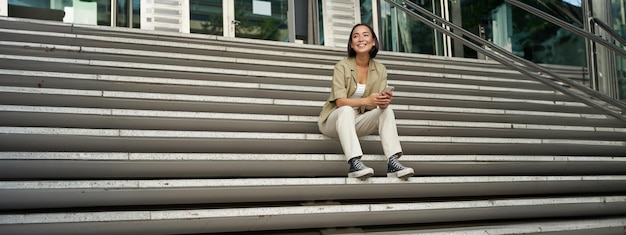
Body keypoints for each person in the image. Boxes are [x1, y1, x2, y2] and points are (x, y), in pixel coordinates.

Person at [318, 23, 414, 180]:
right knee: (347, 109)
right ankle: (354, 162)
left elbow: (374, 104)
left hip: (358, 121)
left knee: (387, 111)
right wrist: (367, 100)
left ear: (374, 41)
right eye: (355, 36)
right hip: (333, 121)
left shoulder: (380, 69)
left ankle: (393, 162)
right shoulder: (341, 66)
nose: (360, 39)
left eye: (365, 35)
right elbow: (340, 102)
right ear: (351, 44)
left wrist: (383, 101)